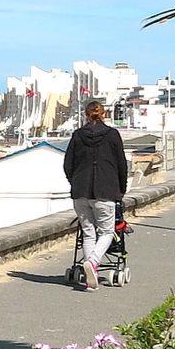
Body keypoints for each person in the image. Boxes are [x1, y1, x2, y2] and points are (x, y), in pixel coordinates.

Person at [63, 99, 128, 291]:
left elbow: (68, 164)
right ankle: (92, 262)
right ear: (104, 114)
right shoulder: (112, 135)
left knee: (88, 233)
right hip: (105, 191)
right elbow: (121, 165)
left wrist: (75, 182)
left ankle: (91, 277)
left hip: (81, 192)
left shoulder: (77, 135)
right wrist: (121, 189)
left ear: (85, 114)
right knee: (107, 232)